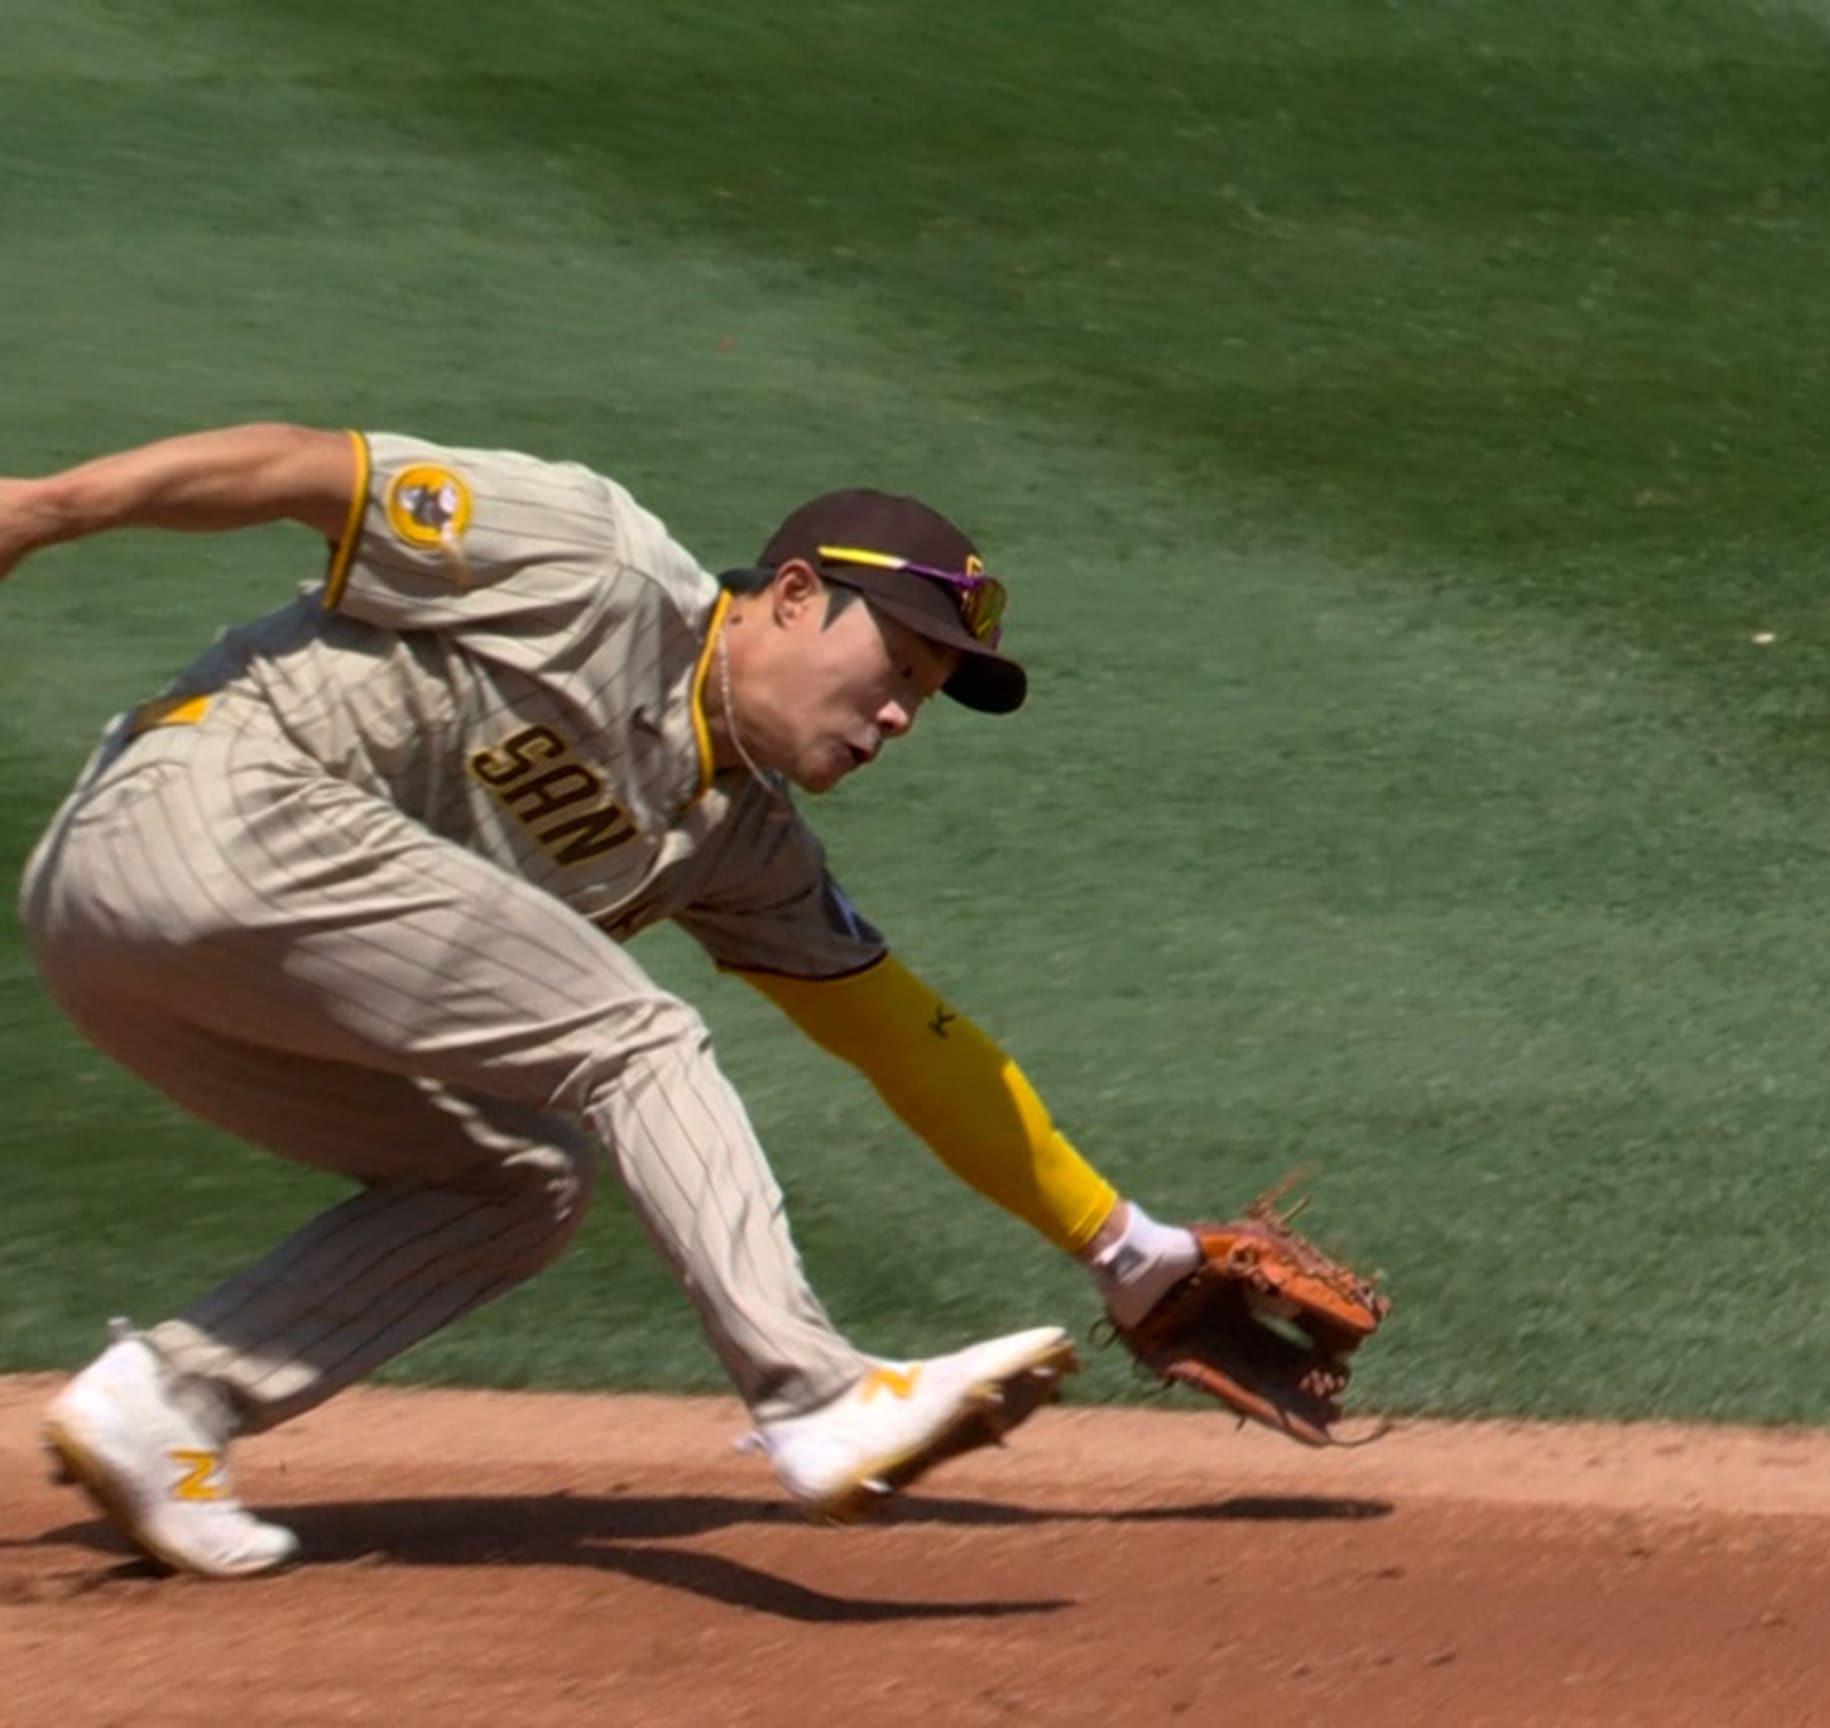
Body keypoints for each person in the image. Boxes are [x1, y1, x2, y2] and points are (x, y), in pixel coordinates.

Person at [0, 423, 1212, 1578]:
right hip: (194, 809)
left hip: (149, 968)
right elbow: (302, 469)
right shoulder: (592, 561)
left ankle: (166, 1403)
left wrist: (1120, 1244)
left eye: (929, 693)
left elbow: (901, 1035)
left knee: (520, 1185)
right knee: (635, 1038)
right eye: (896, 664)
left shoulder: (744, 846)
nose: (902, 712)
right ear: (793, 595)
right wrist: (45, 509)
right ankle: (815, 1393)